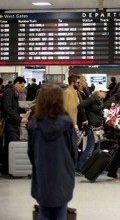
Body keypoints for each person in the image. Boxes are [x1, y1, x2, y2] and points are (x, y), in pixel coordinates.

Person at [27, 84, 77, 220]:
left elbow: (30, 152)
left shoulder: (34, 124)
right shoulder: (67, 123)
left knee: (43, 210)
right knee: (61, 210)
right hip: (62, 171)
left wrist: (37, 164)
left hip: (42, 172)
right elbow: (73, 150)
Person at [75, 85, 109, 174]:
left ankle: (94, 168)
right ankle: (80, 167)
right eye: (104, 92)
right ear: (99, 91)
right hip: (92, 127)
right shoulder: (92, 99)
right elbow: (80, 106)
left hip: (97, 127)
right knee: (90, 148)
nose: (105, 93)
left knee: (96, 149)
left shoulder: (98, 100)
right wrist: (84, 119)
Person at [1, 76, 27, 174]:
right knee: (12, 145)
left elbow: (13, 108)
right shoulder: (9, 92)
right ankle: (9, 169)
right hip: (9, 123)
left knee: (8, 146)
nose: (23, 88)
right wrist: (20, 118)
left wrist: (23, 110)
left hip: (13, 123)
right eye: (22, 86)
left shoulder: (14, 93)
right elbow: (7, 109)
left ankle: (6, 169)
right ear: (17, 83)